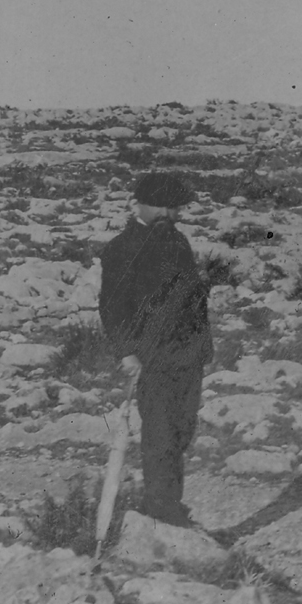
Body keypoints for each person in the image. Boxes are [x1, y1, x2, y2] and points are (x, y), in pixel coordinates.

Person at [99, 172, 213, 528]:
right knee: (160, 435)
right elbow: (112, 305)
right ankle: (163, 514)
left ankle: (165, 505)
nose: (169, 213)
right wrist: (126, 351)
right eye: (161, 205)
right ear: (140, 204)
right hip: (152, 356)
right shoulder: (121, 247)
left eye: (175, 206)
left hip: (187, 354)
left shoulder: (177, 242)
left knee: (181, 430)